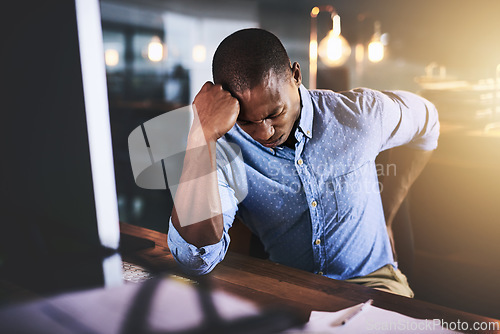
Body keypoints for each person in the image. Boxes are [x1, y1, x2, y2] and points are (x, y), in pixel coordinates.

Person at [167, 28, 439, 298]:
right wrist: (201, 135)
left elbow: (429, 120)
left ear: (296, 75)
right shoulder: (225, 149)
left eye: (275, 113)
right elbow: (195, 259)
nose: (264, 133)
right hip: (289, 289)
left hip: (373, 284)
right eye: (247, 121)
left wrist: (390, 209)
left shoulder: (361, 115)